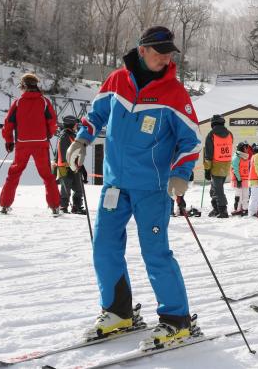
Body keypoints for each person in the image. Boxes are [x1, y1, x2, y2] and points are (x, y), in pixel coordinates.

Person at [66, 26, 201, 347]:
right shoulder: (116, 81)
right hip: (114, 183)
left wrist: (181, 173)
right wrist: (81, 140)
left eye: (170, 52)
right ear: (142, 51)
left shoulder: (174, 93)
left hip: (152, 188)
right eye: (160, 52)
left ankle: (176, 320)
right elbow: (95, 115)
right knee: (104, 245)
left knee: (155, 253)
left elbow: (191, 140)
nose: (166, 58)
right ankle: (118, 311)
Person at [0, 73, 60, 215]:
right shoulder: (44, 101)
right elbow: (52, 121)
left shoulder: (18, 102)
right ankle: (55, 206)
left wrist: (8, 140)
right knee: (47, 175)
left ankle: (5, 205)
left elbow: (9, 123)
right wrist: (49, 134)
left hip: (22, 143)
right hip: (40, 143)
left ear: (23, 86)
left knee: (14, 173)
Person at [202, 114, 233, 218]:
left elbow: (208, 155)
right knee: (214, 188)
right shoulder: (229, 134)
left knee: (218, 189)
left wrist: (207, 170)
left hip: (216, 166)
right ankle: (216, 209)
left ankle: (223, 210)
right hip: (226, 165)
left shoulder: (211, 135)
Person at [55, 115, 86, 214]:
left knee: (78, 188)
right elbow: (64, 153)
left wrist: (82, 167)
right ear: (71, 124)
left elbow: (76, 153)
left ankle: (77, 207)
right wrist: (71, 166)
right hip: (65, 167)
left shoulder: (72, 135)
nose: (77, 126)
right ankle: (63, 207)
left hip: (73, 166)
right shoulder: (64, 136)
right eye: (76, 124)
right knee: (66, 188)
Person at [231, 141, 252, 216]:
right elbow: (235, 169)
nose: (247, 149)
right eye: (245, 148)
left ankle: (245, 209)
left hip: (245, 180)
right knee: (239, 195)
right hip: (238, 180)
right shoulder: (236, 157)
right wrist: (239, 179)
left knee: (245, 195)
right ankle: (238, 209)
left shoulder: (246, 157)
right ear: (241, 148)